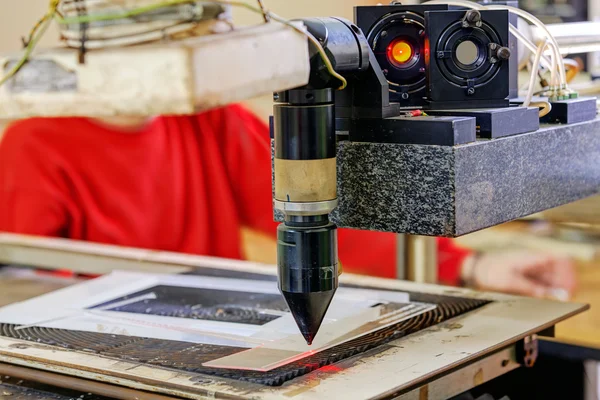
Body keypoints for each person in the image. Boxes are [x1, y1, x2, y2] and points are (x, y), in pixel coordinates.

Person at [0, 104, 576, 298]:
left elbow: (315, 216)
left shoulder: (208, 118)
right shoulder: (33, 144)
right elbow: (31, 293)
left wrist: (470, 265)